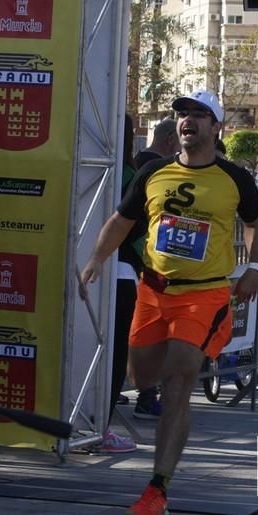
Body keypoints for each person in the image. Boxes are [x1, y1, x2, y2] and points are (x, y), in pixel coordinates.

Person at [80, 89, 258, 515]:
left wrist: (254, 268)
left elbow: (255, 225)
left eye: (200, 115)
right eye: (183, 113)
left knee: (179, 379)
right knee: (142, 376)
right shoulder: (154, 172)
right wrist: (95, 259)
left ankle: (156, 488)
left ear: (216, 128)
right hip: (153, 290)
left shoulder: (235, 178)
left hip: (205, 293)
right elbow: (121, 221)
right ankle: (162, 399)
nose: (189, 120)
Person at [131, 117, 180, 419]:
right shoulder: (154, 170)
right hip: (147, 264)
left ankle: (145, 394)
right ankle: (147, 397)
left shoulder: (137, 162)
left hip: (144, 263)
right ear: (171, 142)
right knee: (149, 339)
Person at [100, 114, 144, 453]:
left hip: (113, 272)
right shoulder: (130, 175)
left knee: (111, 353)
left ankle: (99, 425)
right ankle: (99, 425)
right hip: (115, 274)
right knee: (112, 354)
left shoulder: (130, 175)